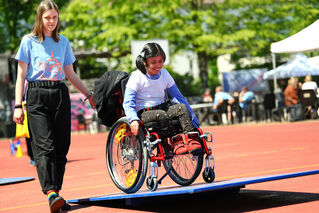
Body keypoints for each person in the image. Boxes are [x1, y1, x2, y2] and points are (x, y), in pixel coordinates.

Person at [13, 1, 96, 212]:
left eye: (55, 17)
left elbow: (70, 73)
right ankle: (50, 192)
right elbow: (21, 76)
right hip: (36, 95)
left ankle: (56, 195)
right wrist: (17, 105)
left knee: (61, 148)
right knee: (45, 147)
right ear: (40, 18)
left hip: (59, 93)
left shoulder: (63, 42)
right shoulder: (28, 41)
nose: (51, 21)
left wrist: (88, 94)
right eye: (47, 17)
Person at [123, 42, 201, 155]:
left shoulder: (164, 74)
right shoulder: (136, 76)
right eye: (153, 62)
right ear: (144, 61)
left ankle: (191, 139)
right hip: (144, 112)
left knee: (181, 108)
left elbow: (178, 97)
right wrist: (133, 119)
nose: (158, 65)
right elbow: (128, 102)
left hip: (162, 107)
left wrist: (192, 116)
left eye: (161, 61)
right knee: (161, 114)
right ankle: (175, 141)